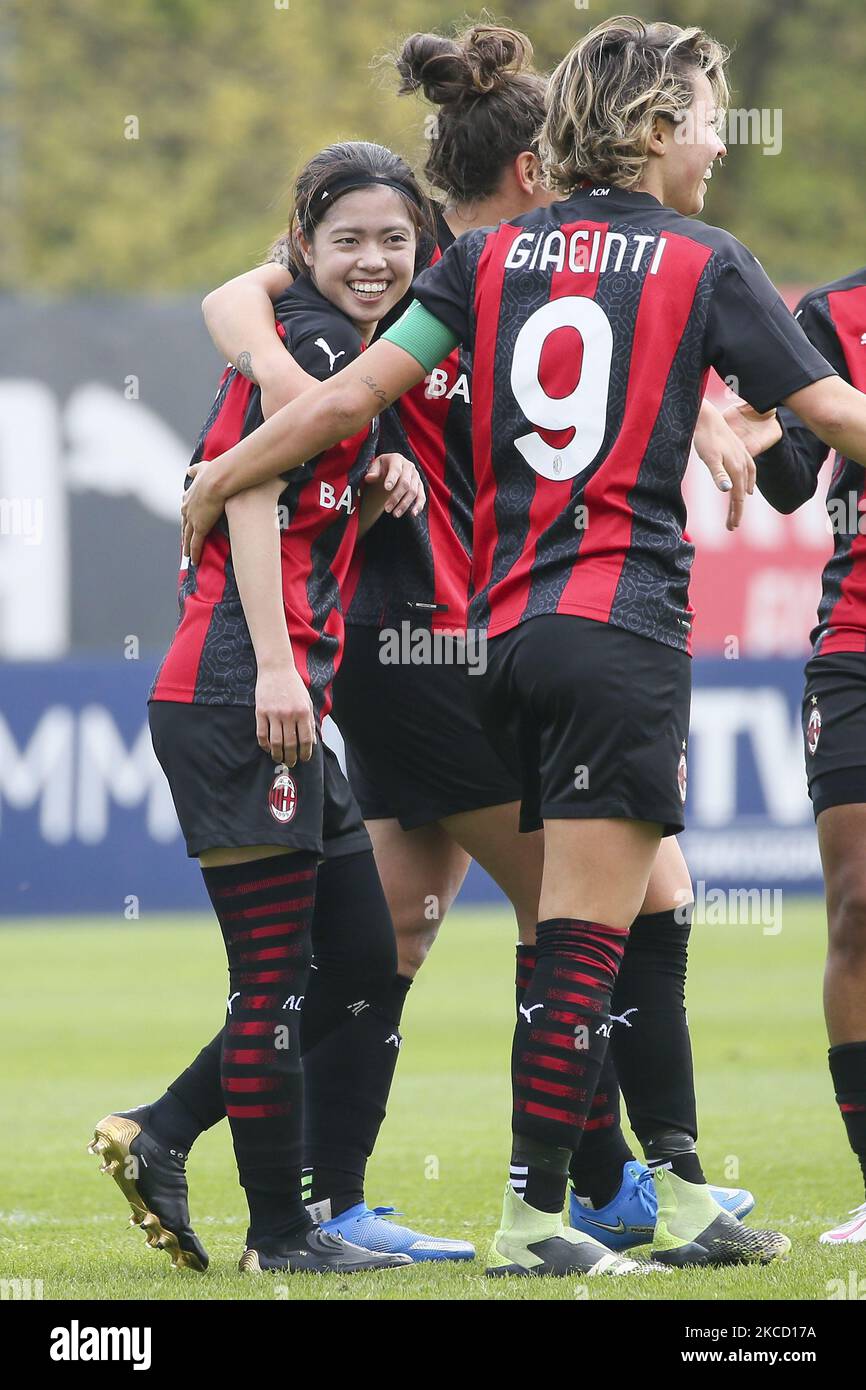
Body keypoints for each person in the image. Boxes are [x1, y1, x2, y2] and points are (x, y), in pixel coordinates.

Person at [182, 15, 852, 1276]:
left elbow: (341, 402)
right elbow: (828, 418)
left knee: (596, 920)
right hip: (621, 630)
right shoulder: (704, 259)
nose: (717, 142)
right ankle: (535, 1219)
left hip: (510, 636)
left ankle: (669, 1193)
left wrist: (223, 469)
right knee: (584, 939)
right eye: (707, 118)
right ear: (655, 130)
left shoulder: (486, 262)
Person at [87, 140, 470, 1275]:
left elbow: (297, 468)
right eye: (346, 238)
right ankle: (280, 1237)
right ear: (302, 246)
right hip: (239, 691)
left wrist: (374, 469)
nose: (372, 259)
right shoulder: (306, 336)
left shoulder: (338, 347)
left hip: (266, 698)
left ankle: (159, 1131)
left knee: (355, 956)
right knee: (277, 980)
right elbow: (251, 487)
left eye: (392, 240)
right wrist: (273, 666)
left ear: (422, 246)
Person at [732, 266, 866, 1246]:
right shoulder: (831, 314)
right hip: (855, 650)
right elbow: (788, 483)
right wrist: (764, 430)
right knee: (857, 909)